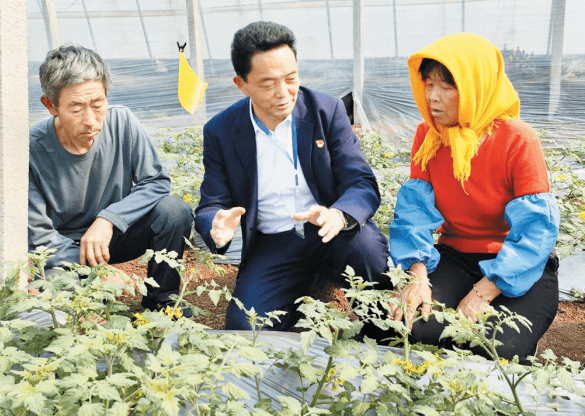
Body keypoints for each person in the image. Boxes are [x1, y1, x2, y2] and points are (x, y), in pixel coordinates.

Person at [195, 21, 390, 331]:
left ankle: (377, 328)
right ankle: (297, 297)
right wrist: (215, 225)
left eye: (291, 78)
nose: (283, 93)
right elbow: (211, 204)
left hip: (331, 232)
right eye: (268, 83)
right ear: (241, 84)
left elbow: (361, 182)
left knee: (369, 258)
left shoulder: (326, 111)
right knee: (247, 328)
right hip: (274, 243)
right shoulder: (221, 131)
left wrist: (339, 215)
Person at [388, 33, 560, 363]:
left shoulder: (518, 139)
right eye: (428, 84)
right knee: (414, 329)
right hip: (454, 255)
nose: (433, 98)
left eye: (447, 86)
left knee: (496, 351)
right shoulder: (429, 135)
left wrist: (484, 291)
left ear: (475, 85)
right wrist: (419, 278)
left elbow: (536, 231)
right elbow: (414, 213)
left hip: (517, 264)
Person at [28, 45, 194, 317]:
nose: (91, 121)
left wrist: (108, 220)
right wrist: (96, 274)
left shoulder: (122, 122)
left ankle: (163, 301)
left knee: (173, 211)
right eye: (76, 108)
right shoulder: (33, 149)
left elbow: (156, 181)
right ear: (51, 105)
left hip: (114, 236)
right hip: (65, 252)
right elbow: (38, 236)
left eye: (98, 104)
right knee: (74, 311)